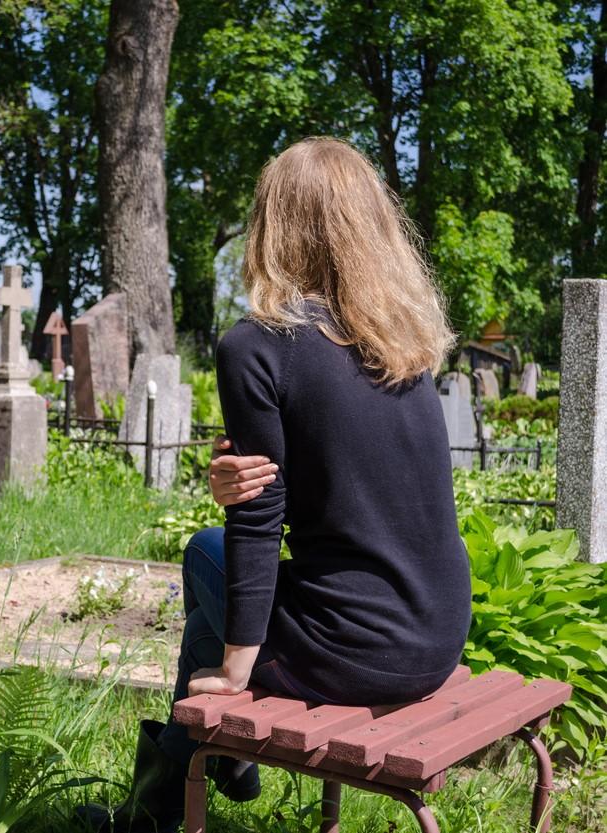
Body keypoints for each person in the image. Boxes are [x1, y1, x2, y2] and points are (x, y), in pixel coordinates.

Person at [76, 137, 472, 833]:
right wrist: (246, 467)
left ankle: (163, 805)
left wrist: (235, 671)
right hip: (437, 632)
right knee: (209, 577)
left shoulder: (256, 345)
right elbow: (354, 478)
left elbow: (259, 520)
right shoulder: (402, 347)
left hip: (361, 646)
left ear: (275, 224)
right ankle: (188, 786)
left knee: (205, 570)